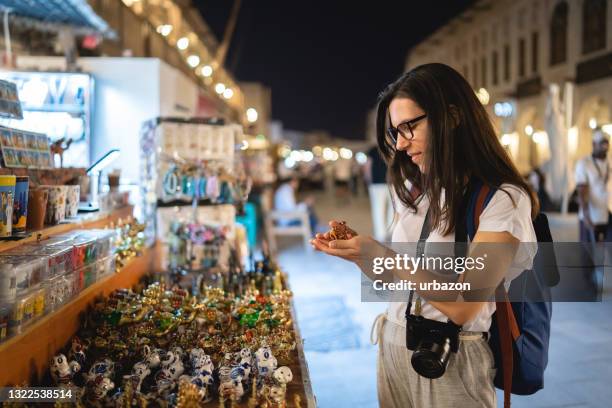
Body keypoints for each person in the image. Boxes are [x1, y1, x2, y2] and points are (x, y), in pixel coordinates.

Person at [311, 63, 538, 408]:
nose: (400, 144)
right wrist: (361, 254)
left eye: (408, 127)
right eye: (394, 132)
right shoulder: (417, 191)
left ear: (452, 116)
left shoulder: (501, 198)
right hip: (392, 345)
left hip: (450, 357)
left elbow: (464, 304)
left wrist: (386, 255)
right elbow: (393, 282)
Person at [575, 128, 612, 242]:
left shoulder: (610, 162)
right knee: (588, 256)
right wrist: (586, 215)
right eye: (601, 143)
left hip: (608, 214)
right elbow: (582, 191)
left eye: (606, 143)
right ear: (593, 144)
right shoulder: (584, 163)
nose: (604, 146)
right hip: (591, 216)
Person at [365, 143, 393, 241]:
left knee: (378, 209)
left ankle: (381, 235)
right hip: (392, 182)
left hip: (377, 183)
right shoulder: (393, 147)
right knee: (393, 209)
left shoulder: (374, 149)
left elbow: (368, 166)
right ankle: (391, 232)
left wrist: (368, 181)